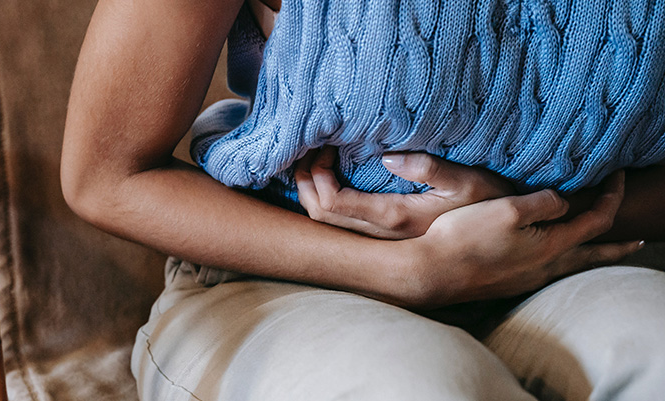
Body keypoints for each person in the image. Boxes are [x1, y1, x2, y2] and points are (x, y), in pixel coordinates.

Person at [60, 0, 665, 399]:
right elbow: (105, 176)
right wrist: (407, 271)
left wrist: (528, 211)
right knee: (423, 389)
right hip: (287, 278)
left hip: (565, 262)